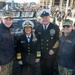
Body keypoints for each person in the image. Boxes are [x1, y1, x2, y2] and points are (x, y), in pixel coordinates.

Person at [35, 10, 59, 75]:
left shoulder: (55, 27)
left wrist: (53, 49)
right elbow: (37, 41)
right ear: (41, 18)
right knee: (42, 69)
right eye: (43, 17)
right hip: (42, 53)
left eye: (46, 17)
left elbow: (58, 40)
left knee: (50, 70)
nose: (44, 19)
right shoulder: (38, 28)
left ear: (49, 17)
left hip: (50, 53)